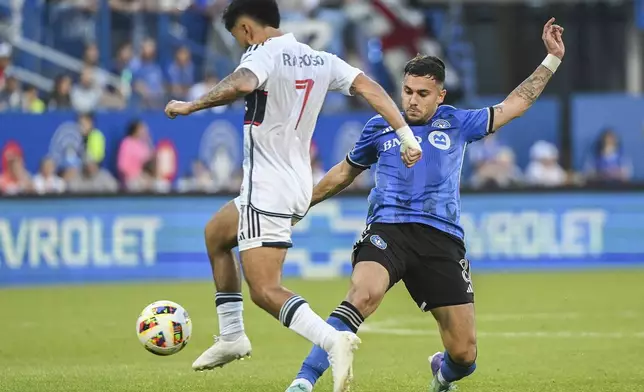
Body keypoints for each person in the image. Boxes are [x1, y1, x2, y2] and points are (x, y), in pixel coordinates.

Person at [285, 17, 565, 392]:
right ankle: (304, 381)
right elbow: (343, 173)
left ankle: (443, 373)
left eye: (422, 93)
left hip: (441, 239)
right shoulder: (381, 125)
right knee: (362, 294)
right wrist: (300, 207)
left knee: (464, 354)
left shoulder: (459, 123)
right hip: (389, 229)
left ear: (441, 96)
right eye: (407, 91)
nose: (412, 100)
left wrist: (551, 60)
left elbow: (515, 104)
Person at [163, 1, 422, 391]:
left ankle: (332, 341)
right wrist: (406, 135)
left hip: (265, 187)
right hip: (299, 183)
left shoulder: (262, 53)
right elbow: (369, 87)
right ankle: (232, 336)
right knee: (216, 234)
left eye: (237, 38)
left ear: (247, 29)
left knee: (265, 290)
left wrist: (191, 105)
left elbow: (243, 83)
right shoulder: (320, 59)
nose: (240, 45)